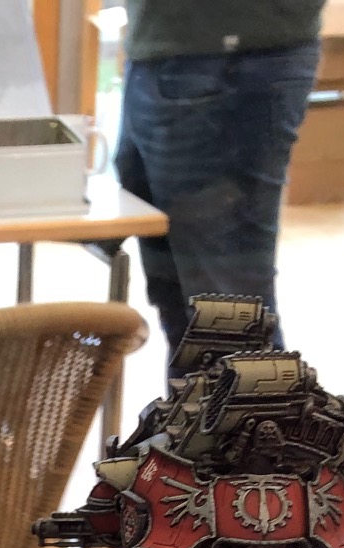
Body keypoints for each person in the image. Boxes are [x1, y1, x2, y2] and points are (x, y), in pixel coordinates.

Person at [114, 0, 323, 351]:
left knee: (228, 310)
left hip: (223, 55)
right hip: (171, 49)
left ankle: (244, 388)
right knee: (186, 301)